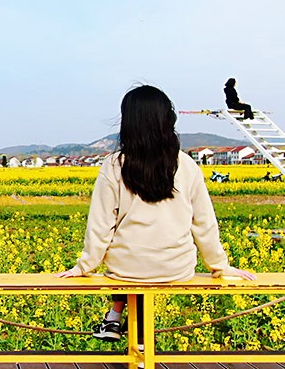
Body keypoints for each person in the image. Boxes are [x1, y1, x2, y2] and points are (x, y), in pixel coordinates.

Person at [56, 85, 255, 344]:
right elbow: (204, 223)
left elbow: (101, 224)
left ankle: (118, 321)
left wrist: (84, 266)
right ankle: (137, 339)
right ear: (167, 120)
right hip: (176, 267)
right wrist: (220, 266)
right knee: (145, 259)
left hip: (125, 268)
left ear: (128, 122)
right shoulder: (186, 164)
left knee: (133, 263)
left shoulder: (114, 165)